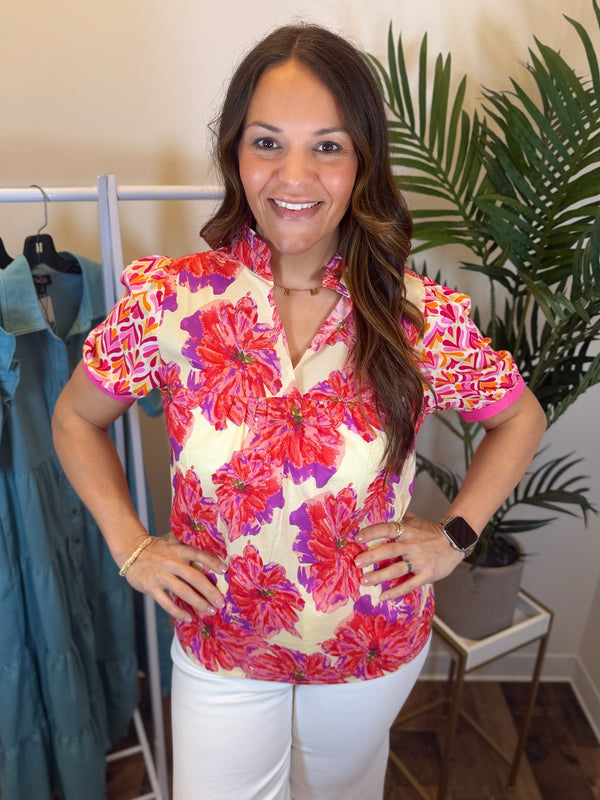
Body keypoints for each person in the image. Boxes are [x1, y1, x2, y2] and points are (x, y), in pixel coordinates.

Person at [52, 22, 547, 800]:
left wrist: (454, 536)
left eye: (327, 146)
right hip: (223, 645)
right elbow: (75, 418)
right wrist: (131, 544)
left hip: (370, 649)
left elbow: (519, 418)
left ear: (362, 162)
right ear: (236, 156)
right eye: (267, 142)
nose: (294, 174)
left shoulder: (417, 314)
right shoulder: (171, 303)